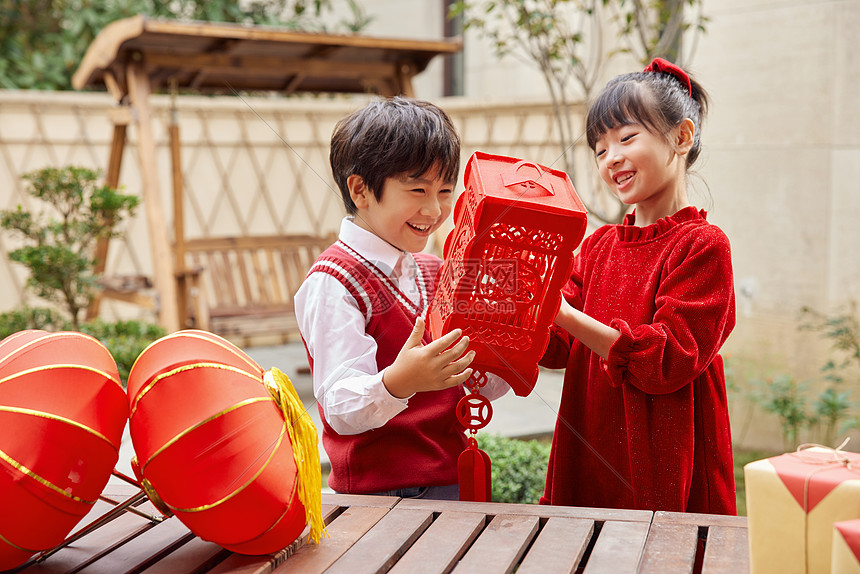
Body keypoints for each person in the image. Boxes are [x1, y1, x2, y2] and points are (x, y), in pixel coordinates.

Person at [540, 58, 736, 514]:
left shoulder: (703, 246)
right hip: (589, 436)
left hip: (664, 450)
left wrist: (562, 313)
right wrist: (515, 304)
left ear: (681, 138)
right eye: (600, 149)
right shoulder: (597, 245)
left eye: (627, 138)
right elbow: (556, 346)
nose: (612, 159)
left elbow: (668, 359)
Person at [295, 96, 509, 500]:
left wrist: (505, 341)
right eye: (417, 189)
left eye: (446, 190)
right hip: (380, 498)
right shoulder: (334, 281)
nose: (434, 209)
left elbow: (476, 386)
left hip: (450, 479)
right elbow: (340, 407)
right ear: (360, 189)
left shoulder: (434, 270)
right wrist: (400, 381)